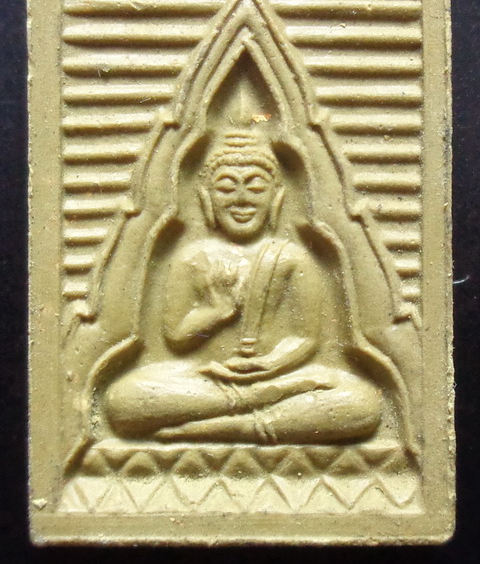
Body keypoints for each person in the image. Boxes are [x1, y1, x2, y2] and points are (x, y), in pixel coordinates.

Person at [104, 130, 382, 443]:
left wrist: (269, 365)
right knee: (123, 400)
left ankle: (232, 426)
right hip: (207, 380)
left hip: (281, 376)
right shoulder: (192, 257)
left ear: (277, 198)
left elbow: (305, 337)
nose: (241, 199)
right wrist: (217, 312)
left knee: (363, 403)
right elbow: (177, 337)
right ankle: (250, 405)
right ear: (206, 198)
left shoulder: (291, 256)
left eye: (255, 187)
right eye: (226, 188)